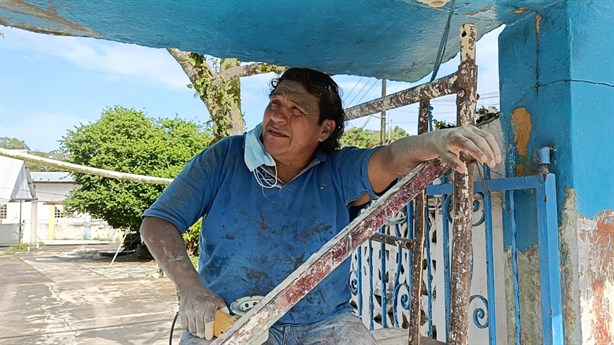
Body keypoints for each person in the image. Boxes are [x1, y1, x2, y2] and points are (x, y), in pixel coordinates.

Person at [140, 67, 501, 345]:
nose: (278, 117)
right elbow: (157, 223)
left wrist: (438, 139)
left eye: (296, 110)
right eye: (275, 104)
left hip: (323, 321)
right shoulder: (224, 158)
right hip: (228, 315)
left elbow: (391, 158)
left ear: (324, 130)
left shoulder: (339, 170)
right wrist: (192, 290)